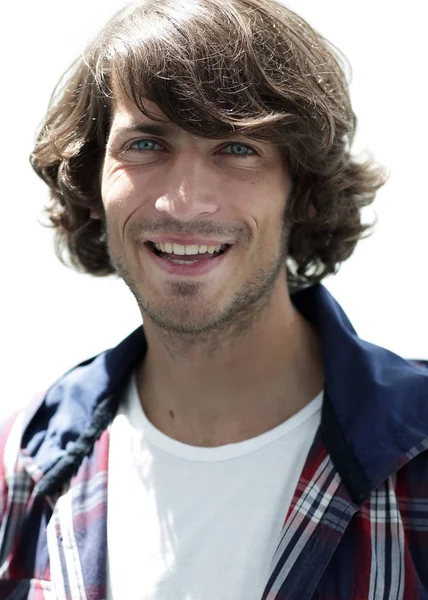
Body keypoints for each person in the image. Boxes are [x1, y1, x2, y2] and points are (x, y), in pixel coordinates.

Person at [1, 0, 427, 598]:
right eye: (146, 144)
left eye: (236, 147)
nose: (184, 201)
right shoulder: (22, 463)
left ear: (300, 188)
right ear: (92, 180)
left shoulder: (418, 448)